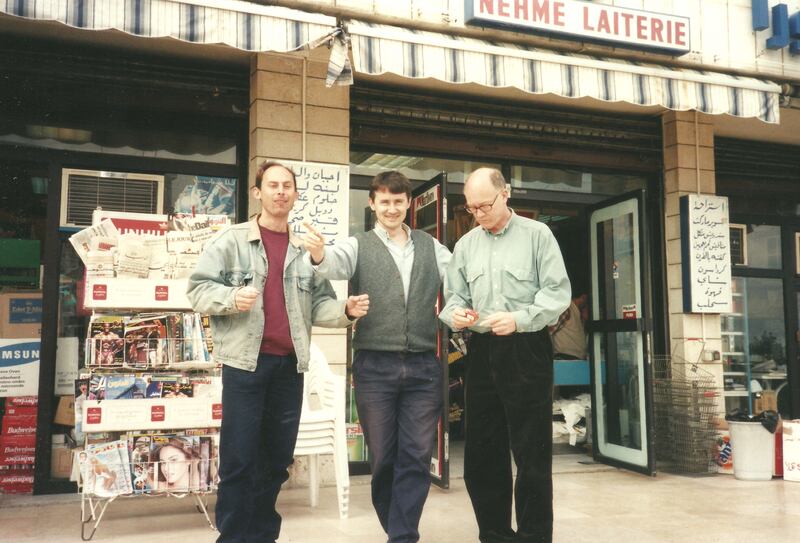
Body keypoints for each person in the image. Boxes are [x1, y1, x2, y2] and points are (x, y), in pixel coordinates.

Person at [187, 161, 369, 543]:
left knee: (276, 460)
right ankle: (234, 537)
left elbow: (319, 303)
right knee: (239, 459)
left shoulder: (304, 248)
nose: (281, 191)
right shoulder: (231, 241)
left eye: (287, 185)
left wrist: (345, 311)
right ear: (258, 192)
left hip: (290, 367)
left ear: (295, 195)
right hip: (245, 366)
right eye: (273, 185)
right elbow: (197, 290)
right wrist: (231, 297)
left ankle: (263, 536)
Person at [304, 170, 451, 543]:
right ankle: (398, 528)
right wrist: (319, 252)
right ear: (372, 204)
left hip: (423, 365)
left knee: (416, 455)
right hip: (375, 366)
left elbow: (460, 279)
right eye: (384, 201)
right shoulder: (359, 245)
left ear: (408, 204)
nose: (391, 208)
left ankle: (402, 536)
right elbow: (332, 263)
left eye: (398, 201)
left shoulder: (431, 246)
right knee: (384, 458)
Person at [439, 168, 571, 543]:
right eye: (472, 207)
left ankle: (533, 535)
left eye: (485, 205)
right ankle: (494, 533)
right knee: (482, 451)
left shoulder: (538, 236)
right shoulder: (466, 244)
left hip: (526, 348)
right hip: (481, 351)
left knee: (531, 451)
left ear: (506, 194)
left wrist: (519, 318)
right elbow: (453, 299)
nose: (478, 214)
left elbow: (557, 293)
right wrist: (457, 315)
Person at [549, 293, 588, 360]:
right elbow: (549, 331)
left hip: (576, 360)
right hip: (565, 358)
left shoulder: (578, 313)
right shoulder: (566, 308)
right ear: (583, 297)